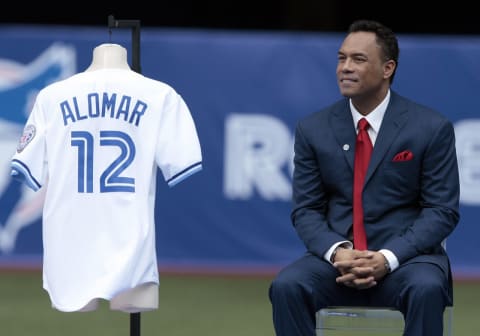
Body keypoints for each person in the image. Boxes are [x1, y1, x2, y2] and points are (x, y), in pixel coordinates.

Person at [268, 19, 460, 336]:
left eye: (358, 59)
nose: (345, 67)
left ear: (388, 68)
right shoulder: (313, 129)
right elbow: (306, 210)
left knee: (427, 288)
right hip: (337, 265)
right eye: (341, 58)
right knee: (288, 285)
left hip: (407, 262)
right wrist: (338, 252)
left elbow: (442, 211)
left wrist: (387, 257)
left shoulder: (430, 127)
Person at [10, 43, 203, 313]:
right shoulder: (161, 95)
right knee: (135, 302)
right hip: (131, 247)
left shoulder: (51, 97)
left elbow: (26, 167)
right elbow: (181, 163)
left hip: (69, 251)